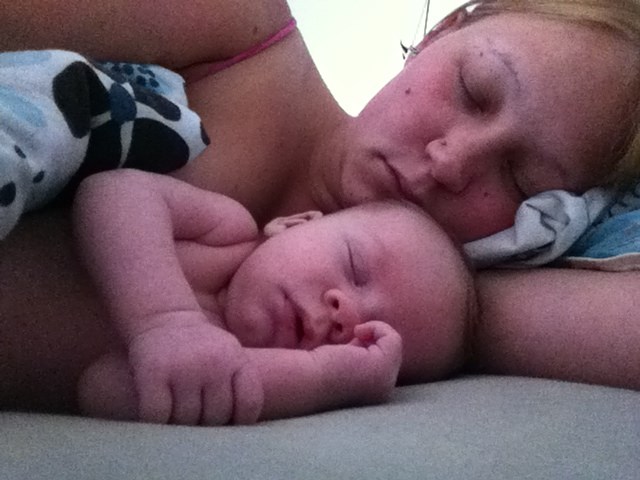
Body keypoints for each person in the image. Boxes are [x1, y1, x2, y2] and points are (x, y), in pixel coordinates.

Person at [1, 0, 640, 399]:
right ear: (441, 30)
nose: (452, 161)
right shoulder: (234, 26)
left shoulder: (377, 329)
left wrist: (455, 313)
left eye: (521, 181)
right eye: (474, 89)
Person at [4, 168, 475, 424]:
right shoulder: (225, 233)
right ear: (294, 223)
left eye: (368, 337)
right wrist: (167, 319)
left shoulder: (218, 372)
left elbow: (104, 390)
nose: (345, 313)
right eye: (354, 266)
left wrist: (323, 377)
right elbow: (113, 192)